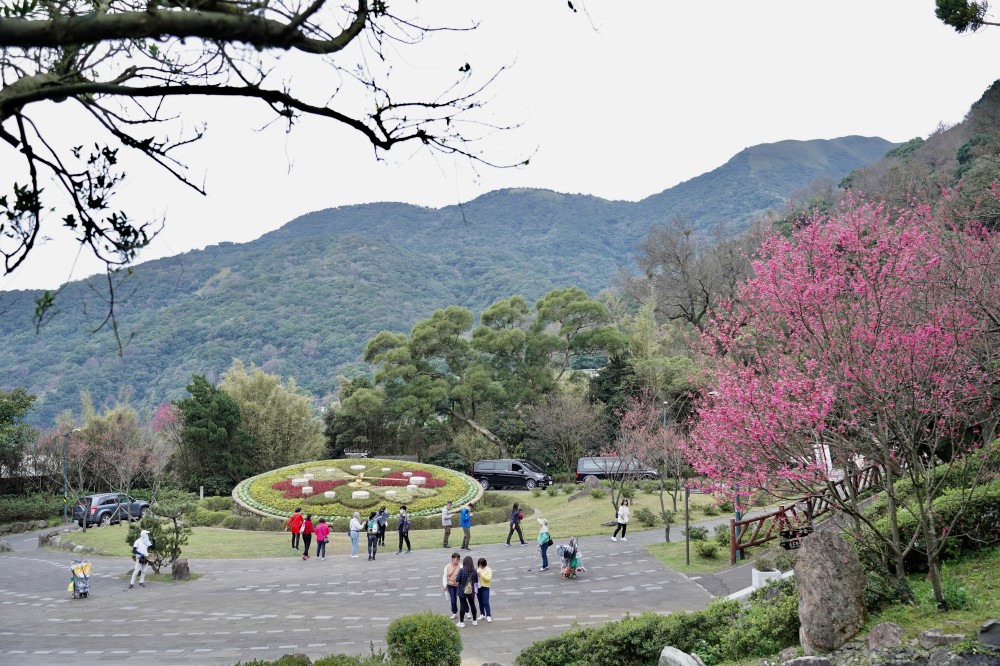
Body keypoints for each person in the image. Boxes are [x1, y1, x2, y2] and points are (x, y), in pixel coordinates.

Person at [454, 555, 479, 627]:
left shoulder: (462, 570)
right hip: (471, 591)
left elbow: (457, 580)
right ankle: (474, 621)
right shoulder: (474, 571)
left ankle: (461, 622)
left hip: (462, 590)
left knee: (462, 606)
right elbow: (476, 581)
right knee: (472, 605)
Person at [441, 552, 461, 619]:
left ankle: (466, 611)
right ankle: (454, 613)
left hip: (459, 585)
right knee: (453, 600)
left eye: (459, 559)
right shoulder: (447, 567)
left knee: (462, 599)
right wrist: (445, 585)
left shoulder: (461, 566)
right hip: (451, 585)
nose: (458, 561)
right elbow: (444, 576)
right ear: (452, 559)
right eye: (456, 559)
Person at [476, 557, 492, 623]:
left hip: (485, 587)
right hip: (478, 587)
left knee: (486, 602)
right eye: (479, 565)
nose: (480, 566)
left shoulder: (488, 569)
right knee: (480, 602)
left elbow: (488, 579)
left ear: (484, 564)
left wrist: (481, 575)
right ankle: (482, 614)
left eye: (481, 565)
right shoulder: (478, 569)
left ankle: (488, 615)